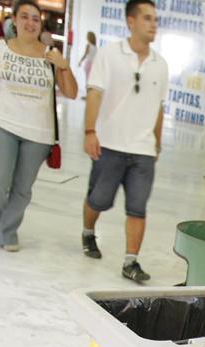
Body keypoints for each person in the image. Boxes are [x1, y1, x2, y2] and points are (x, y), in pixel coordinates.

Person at [0, 0, 78, 252]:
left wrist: (64, 65)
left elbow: (71, 92)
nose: (30, 23)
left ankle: (8, 231)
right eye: (25, 17)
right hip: (3, 124)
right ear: (14, 20)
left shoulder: (50, 54)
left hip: (39, 133)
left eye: (35, 19)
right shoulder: (0, 49)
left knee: (22, 188)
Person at [80, 0, 170, 283]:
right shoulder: (109, 55)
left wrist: (156, 142)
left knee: (138, 207)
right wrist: (90, 132)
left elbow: (158, 107)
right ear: (131, 22)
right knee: (99, 200)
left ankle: (131, 261)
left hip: (142, 150)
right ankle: (88, 232)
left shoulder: (160, 65)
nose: (153, 24)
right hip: (110, 145)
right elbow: (94, 95)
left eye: (155, 19)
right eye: (147, 18)